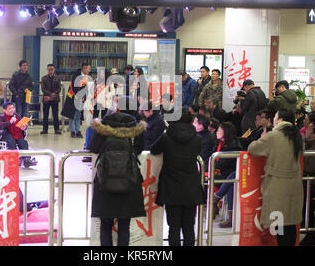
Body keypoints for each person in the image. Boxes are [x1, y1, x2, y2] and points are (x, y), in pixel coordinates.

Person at [89, 96, 146, 246]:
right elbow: (139, 149)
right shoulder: (135, 128)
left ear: (118, 108)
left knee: (106, 225)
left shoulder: (104, 125)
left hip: (105, 181)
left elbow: (93, 147)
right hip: (128, 181)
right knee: (124, 225)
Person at [248, 108, 304, 246]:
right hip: (294, 186)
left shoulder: (274, 136)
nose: (273, 119)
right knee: (290, 224)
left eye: (275, 116)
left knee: (280, 227)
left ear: (280, 119)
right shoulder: (296, 135)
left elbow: (252, 148)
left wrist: (262, 138)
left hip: (278, 187)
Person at [150, 109, 205, 246]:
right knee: (188, 227)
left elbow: (154, 150)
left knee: (173, 227)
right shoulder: (197, 139)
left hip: (171, 186)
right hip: (191, 187)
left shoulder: (166, 137)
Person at [212, 122, 243, 227]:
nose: (217, 132)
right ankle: (216, 201)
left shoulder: (233, 146)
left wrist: (209, 166)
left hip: (229, 174)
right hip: (224, 174)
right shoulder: (220, 143)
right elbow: (212, 158)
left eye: (219, 130)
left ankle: (215, 199)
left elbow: (221, 163)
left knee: (230, 182)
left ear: (226, 132)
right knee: (230, 184)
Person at [0, 101, 37, 167]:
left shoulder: (17, 116)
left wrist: (24, 127)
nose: (12, 110)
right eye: (10, 108)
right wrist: (9, 122)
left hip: (17, 134)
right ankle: (13, 159)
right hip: (6, 135)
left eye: (13, 108)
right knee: (11, 141)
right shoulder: (2, 117)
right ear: (5, 110)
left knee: (23, 142)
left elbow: (22, 125)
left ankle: (26, 159)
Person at [62, 62, 91, 138]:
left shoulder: (85, 77)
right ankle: (72, 131)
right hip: (73, 98)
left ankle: (78, 130)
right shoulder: (76, 75)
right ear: (84, 68)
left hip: (80, 99)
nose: (89, 70)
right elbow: (75, 87)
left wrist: (84, 97)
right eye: (88, 68)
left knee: (78, 115)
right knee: (72, 115)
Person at [40, 64, 62, 134]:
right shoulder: (44, 78)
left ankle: (57, 129)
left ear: (54, 70)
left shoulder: (57, 78)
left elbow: (59, 88)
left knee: (55, 114)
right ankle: (45, 129)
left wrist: (54, 94)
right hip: (47, 98)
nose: (50, 71)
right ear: (47, 70)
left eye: (52, 69)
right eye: (49, 69)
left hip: (55, 98)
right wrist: (50, 94)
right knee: (45, 114)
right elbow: (43, 89)